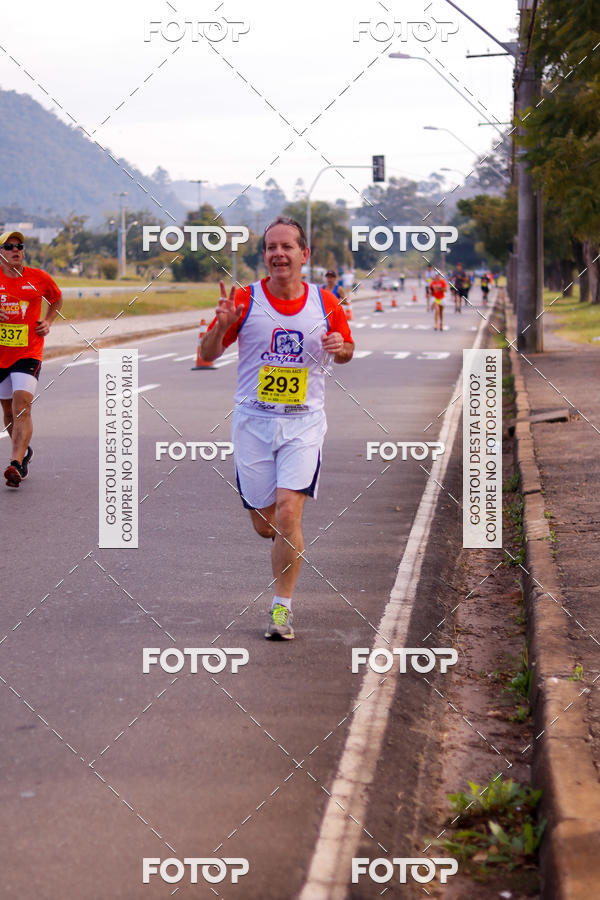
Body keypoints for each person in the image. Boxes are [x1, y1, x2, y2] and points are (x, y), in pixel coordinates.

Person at [201, 217, 354, 640]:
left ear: (304, 255)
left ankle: (281, 609)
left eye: (287, 247)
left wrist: (341, 349)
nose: (278, 254)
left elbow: (347, 350)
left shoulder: (326, 302)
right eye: (271, 247)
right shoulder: (244, 299)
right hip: (253, 423)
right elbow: (207, 353)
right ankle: (276, 537)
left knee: (289, 511)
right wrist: (220, 325)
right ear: (264, 255)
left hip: (303, 423)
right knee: (265, 524)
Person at [0, 231, 62, 488]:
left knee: (21, 406)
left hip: (28, 352)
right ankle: (24, 454)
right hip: (1, 354)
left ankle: (14, 463)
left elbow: (56, 298)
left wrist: (47, 321)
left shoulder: (38, 277)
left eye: (19, 246)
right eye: (9, 246)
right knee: (7, 412)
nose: (16, 250)